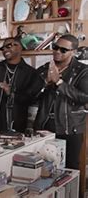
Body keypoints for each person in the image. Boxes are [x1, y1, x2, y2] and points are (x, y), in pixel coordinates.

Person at [34, 34, 88, 170]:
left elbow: (84, 97)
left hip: (69, 128)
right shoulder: (44, 69)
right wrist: (45, 82)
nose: (57, 51)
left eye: (63, 50)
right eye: (55, 47)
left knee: (70, 167)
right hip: (44, 126)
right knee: (44, 167)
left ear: (74, 52)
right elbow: (30, 96)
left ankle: (73, 193)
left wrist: (59, 82)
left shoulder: (83, 71)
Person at [0, 37, 43, 133]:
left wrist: (11, 93)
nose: (5, 50)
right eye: (3, 48)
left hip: (17, 123)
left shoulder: (30, 72)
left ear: (20, 47)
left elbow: (30, 98)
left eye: (9, 46)